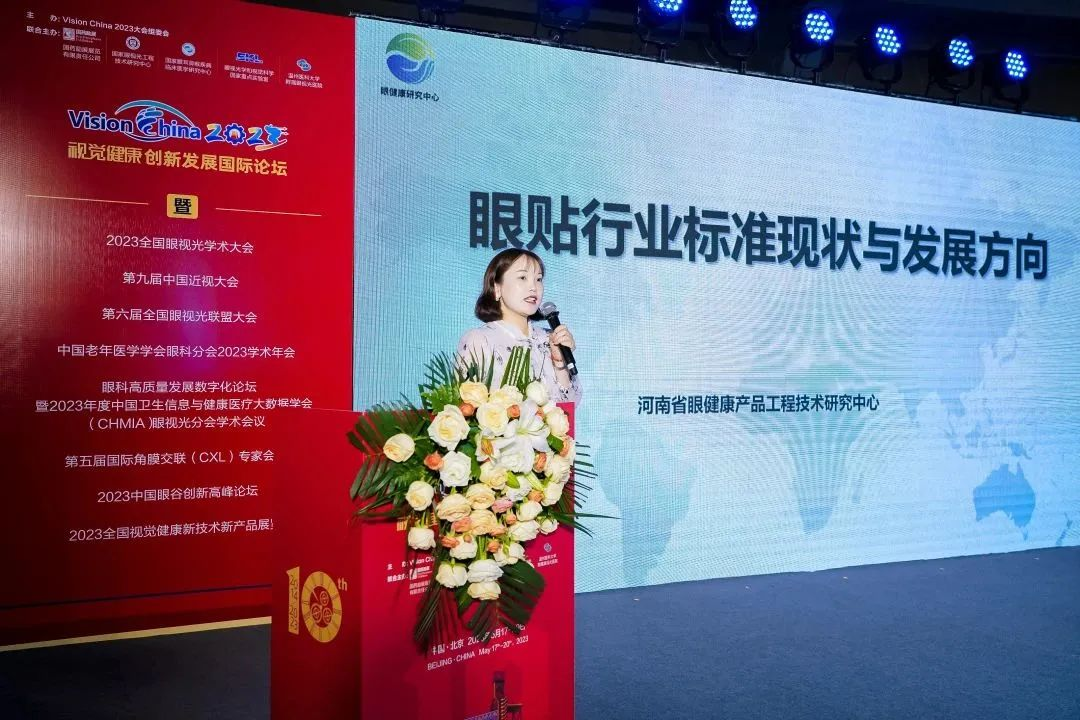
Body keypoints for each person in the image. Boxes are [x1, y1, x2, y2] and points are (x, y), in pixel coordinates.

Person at [457, 249, 582, 404]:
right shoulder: (479, 340)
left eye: (538, 279)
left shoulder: (550, 339)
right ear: (497, 288)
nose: (533, 287)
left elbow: (571, 406)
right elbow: (465, 407)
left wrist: (559, 364)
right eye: (523, 277)